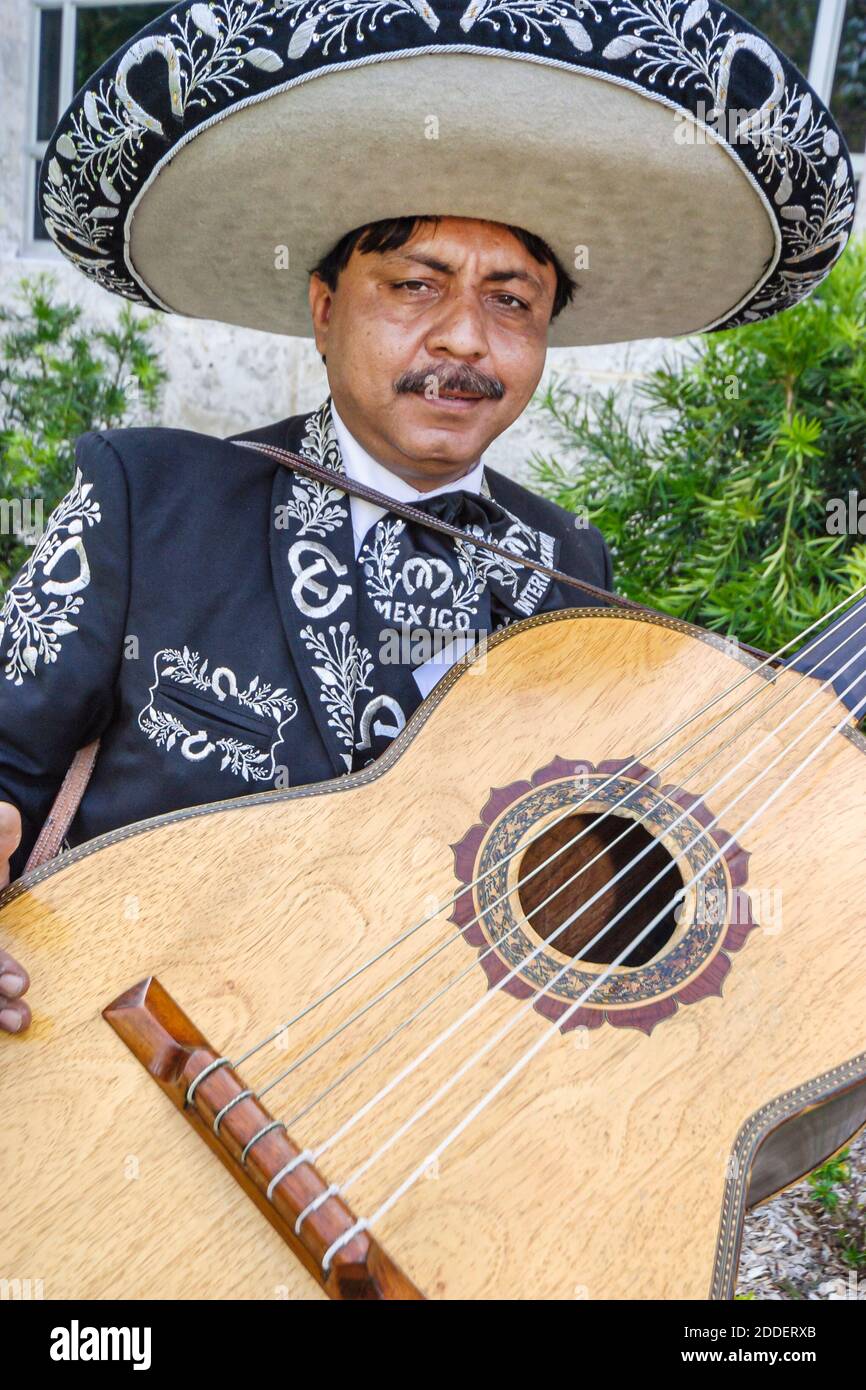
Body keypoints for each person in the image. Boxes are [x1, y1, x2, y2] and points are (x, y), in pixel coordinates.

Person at [0, 0, 857, 1034]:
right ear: (323, 306)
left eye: (511, 302)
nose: (462, 338)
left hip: (392, 1121)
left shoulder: (566, 567)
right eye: (414, 284)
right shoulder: (149, 494)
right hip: (117, 1055)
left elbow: (576, 888)